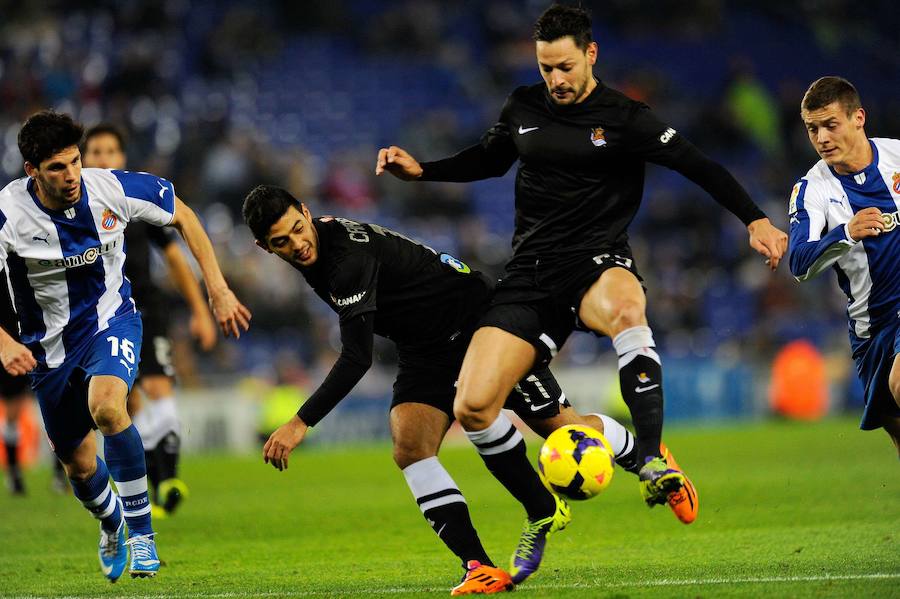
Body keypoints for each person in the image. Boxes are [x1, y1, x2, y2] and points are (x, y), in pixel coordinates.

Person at [376, 2, 782, 543]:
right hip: (529, 275)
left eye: (565, 66)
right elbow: (488, 160)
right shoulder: (523, 106)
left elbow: (699, 165)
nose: (556, 79)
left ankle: (657, 459)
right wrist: (423, 170)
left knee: (627, 307)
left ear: (591, 55)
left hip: (595, 261)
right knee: (472, 407)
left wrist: (754, 219)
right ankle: (605, 467)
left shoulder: (626, 117)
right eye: (546, 68)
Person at [242, 185, 695, 593]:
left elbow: (357, 358)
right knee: (410, 446)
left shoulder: (345, 261)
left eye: (298, 229)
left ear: (306, 210)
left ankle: (650, 461)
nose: (297, 244)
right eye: (282, 242)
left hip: (480, 324)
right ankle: (477, 565)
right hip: (425, 348)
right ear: (265, 247)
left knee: (564, 430)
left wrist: (300, 422)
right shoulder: (319, 251)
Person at [0, 110, 250, 581]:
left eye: (75, 162)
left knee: (110, 408)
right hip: (48, 350)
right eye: (57, 167)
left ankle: (142, 536)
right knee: (78, 467)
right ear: (31, 170)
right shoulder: (8, 214)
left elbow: (184, 215)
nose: (71, 175)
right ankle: (111, 521)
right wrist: (3, 342)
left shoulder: (110, 188)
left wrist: (216, 290)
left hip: (111, 322)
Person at [81, 124, 219, 518]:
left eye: (111, 151)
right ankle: (151, 488)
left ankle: (168, 480)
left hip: (147, 309)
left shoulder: (134, 202)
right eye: (96, 152)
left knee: (159, 386)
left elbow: (175, 258)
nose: (104, 159)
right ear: (84, 159)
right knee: (128, 404)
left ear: (122, 158)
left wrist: (200, 309)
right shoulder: (75, 208)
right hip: (102, 317)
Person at [788, 76, 900, 456]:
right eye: (812, 129)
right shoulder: (813, 189)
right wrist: (846, 233)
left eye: (830, 125)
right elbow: (799, 263)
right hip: (871, 328)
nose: (821, 138)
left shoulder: (897, 157)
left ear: (858, 118)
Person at [0, 270, 32, 495]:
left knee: (59, 400)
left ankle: (61, 474)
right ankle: (13, 470)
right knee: (12, 408)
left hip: (31, 332)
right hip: (7, 335)